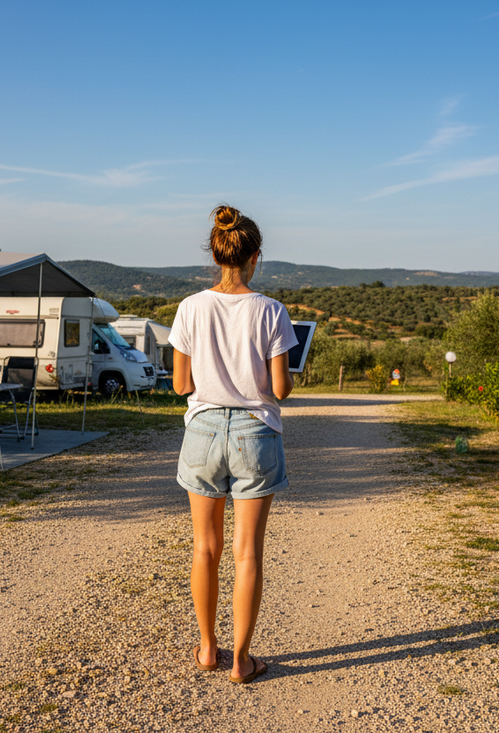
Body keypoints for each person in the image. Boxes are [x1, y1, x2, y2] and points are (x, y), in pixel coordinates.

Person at [169, 204, 297, 684]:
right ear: (255, 257)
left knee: (205, 548)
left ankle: (207, 649)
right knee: (248, 552)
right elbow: (280, 390)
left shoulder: (189, 308)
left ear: (216, 255)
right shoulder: (272, 311)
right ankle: (242, 660)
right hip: (254, 433)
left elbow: (182, 384)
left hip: (202, 431)